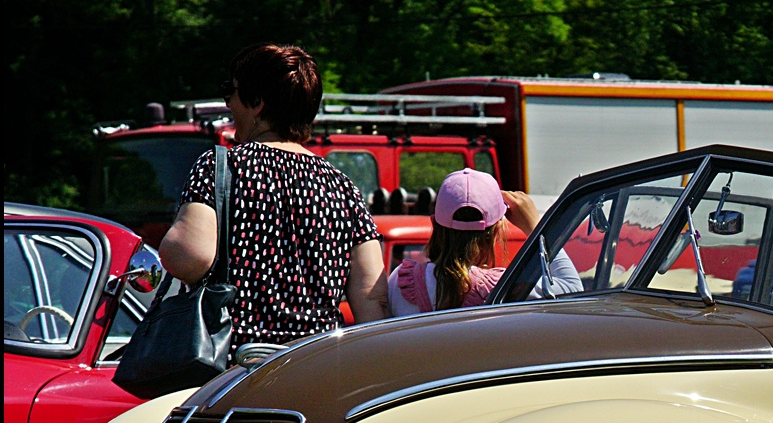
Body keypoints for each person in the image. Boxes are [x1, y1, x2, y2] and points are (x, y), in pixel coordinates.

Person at [160, 43, 386, 347]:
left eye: (231, 92)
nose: (228, 104)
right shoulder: (344, 187)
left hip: (236, 365)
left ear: (257, 104)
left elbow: (189, 259)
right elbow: (374, 301)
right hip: (316, 366)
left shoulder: (221, 167)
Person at [385, 168, 580, 316]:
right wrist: (536, 227)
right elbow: (573, 290)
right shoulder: (502, 288)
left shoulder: (400, 283)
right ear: (496, 231)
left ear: (434, 224)